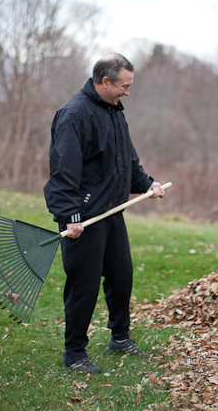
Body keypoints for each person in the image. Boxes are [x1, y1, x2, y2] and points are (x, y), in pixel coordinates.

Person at [43, 53, 165, 374]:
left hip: (111, 213)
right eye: (123, 86)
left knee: (121, 275)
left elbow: (127, 162)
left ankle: (120, 338)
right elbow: (62, 174)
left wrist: (147, 184)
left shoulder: (114, 112)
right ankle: (74, 353)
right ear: (105, 81)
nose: (128, 92)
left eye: (130, 85)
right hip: (82, 218)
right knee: (84, 285)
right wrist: (70, 215)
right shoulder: (73, 116)